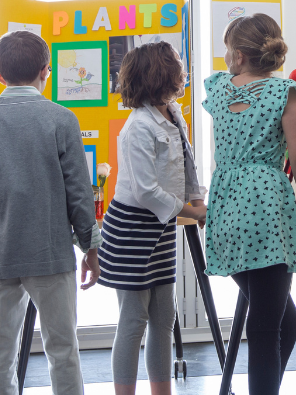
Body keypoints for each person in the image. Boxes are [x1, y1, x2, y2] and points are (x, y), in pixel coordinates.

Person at [202, 13, 296, 395]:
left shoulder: (217, 89)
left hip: (227, 205)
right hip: (265, 208)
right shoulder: (285, 93)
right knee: (265, 327)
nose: (226, 56)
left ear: (241, 56)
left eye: (229, 49)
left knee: (283, 323)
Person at [0, 30, 101, 395]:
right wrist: (90, 246)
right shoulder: (61, 119)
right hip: (51, 254)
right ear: (46, 70)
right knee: (63, 351)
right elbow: (79, 192)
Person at [97, 42, 207, 395]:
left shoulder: (174, 113)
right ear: (159, 73)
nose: (181, 68)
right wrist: (193, 212)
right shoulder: (138, 126)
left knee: (164, 319)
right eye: (175, 63)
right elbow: (146, 192)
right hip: (131, 229)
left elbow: (188, 166)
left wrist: (198, 201)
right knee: (133, 321)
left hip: (160, 227)